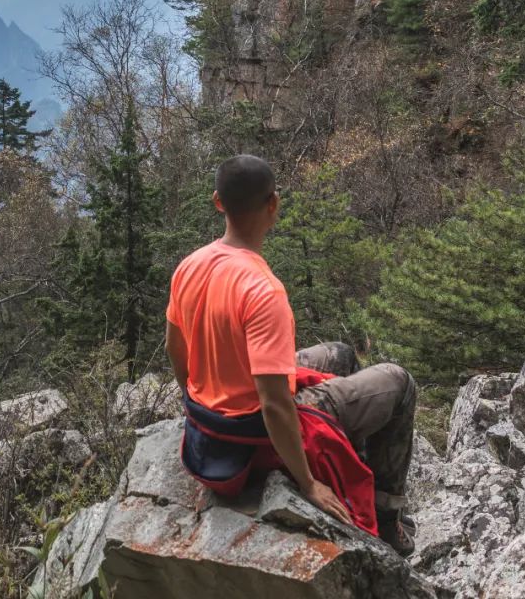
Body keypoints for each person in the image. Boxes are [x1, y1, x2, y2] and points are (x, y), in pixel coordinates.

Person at [165, 154, 416, 555]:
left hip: (211, 422)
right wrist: (308, 483)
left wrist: (202, 404)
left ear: (218, 202)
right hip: (253, 431)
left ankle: (359, 461)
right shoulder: (263, 290)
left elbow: (175, 351)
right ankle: (387, 518)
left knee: (340, 354)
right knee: (399, 382)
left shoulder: (189, 266)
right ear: (274, 204)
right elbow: (276, 406)